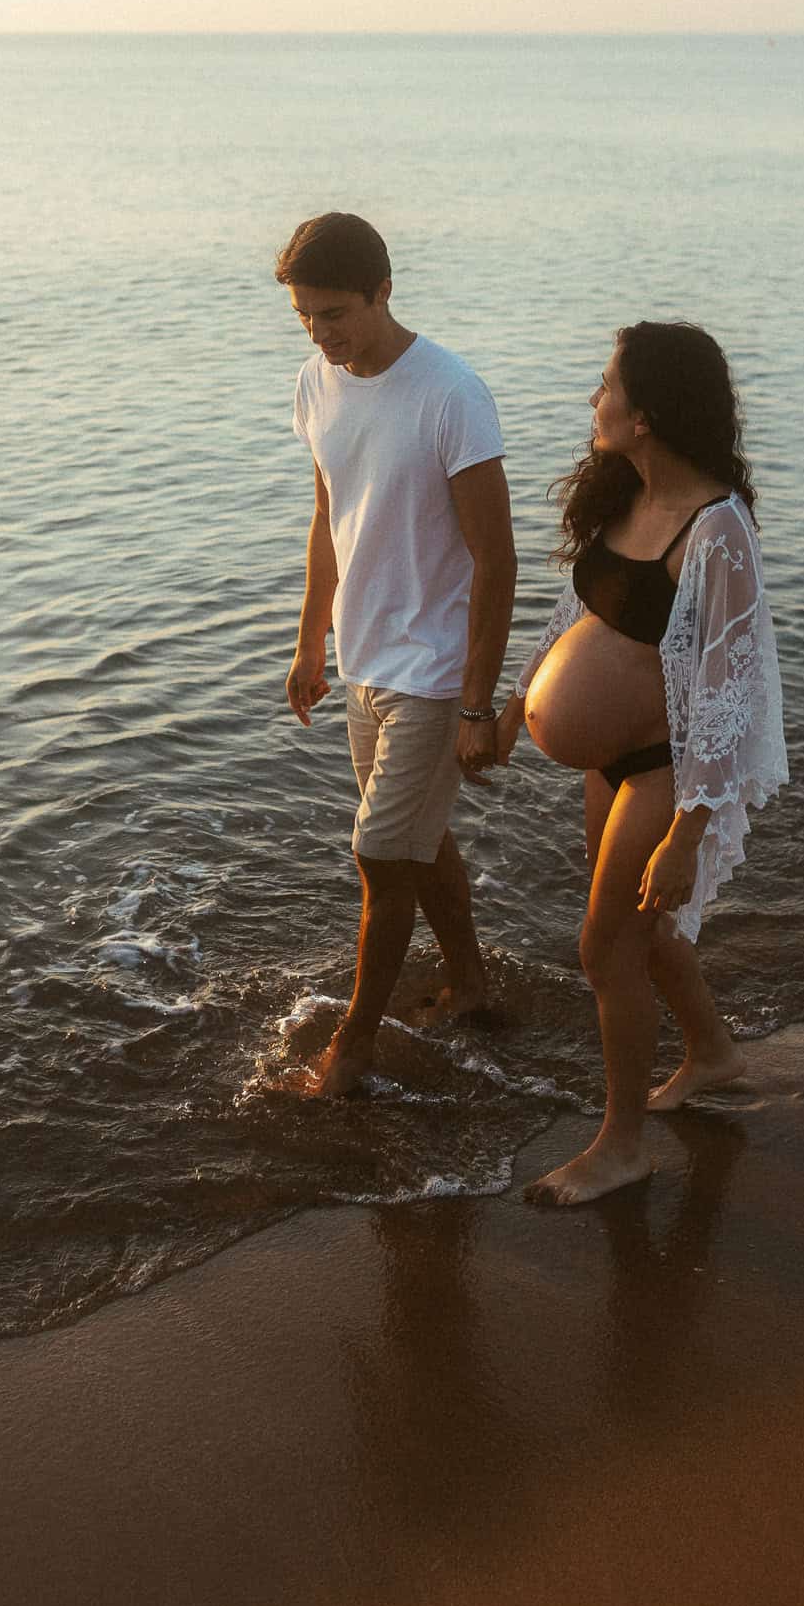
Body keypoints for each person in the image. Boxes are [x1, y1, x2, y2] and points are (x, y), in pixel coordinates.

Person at [496, 320, 787, 1204]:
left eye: (606, 384)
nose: (595, 398)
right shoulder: (626, 494)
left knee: (604, 951)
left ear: (648, 413)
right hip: (612, 761)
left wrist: (689, 835)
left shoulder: (715, 530)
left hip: (669, 768)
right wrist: (516, 706)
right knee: (644, 937)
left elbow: (729, 693)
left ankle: (621, 1146)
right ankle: (713, 1053)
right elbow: (577, 616)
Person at [279, 213, 518, 1096]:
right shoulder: (316, 383)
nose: (320, 332)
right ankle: (469, 984)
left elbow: (496, 557)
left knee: (380, 855)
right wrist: (312, 639)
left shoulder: (451, 393)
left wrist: (476, 702)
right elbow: (327, 517)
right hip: (364, 661)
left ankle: (352, 1050)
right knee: (419, 841)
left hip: (434, 668)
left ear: (383, 290)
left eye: (334, 312)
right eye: (305, 316)